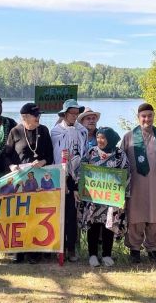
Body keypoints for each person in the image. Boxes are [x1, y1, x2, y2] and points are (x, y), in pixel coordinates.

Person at [120, 103, 156, 263]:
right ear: (139, 118)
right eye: (144, 116)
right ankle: (134, 249)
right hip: (135, 187)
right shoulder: (129, 137)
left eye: (150, 116)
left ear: (153, 116)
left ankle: (154, 249)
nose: (147, 119)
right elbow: (120, 162)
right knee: (136, 217)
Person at [5, 103, 54, 263]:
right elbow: (7, 156)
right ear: (25, 117)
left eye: (39, 115)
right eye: (36, 115)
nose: (39, 117)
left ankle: (34, 252)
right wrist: (13, 166)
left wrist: (42, 162)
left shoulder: (44, 130)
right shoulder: (15, 131)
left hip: (38, 181)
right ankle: (17, 252)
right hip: (20, 180)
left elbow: (50, 156)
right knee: (19, 215)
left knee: (35, 215)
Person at [78, 127, 129, 267]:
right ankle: (92, 255)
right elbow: (81, 170)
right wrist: (79, 188)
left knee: (109, 226)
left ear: (110, 139)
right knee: (93, 226)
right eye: (98, 137)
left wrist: (123, 196)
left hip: (111, 198)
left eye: (103, 138)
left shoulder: (119, 155)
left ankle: (107, 255)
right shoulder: (91, 152)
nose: (100, 140)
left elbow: (126, 175)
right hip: (93, 198)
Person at [51, 99, 88, 262]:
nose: (74, 116)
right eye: (71, 113)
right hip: (60, 175)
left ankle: (72, 248)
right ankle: (59, 247)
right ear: (64, 114)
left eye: (76, 113)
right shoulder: (56, 131)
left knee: (73, 214)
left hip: (76, 175)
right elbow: (54, 153)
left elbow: (84, 152)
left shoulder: (83, 131)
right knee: (60, 214)